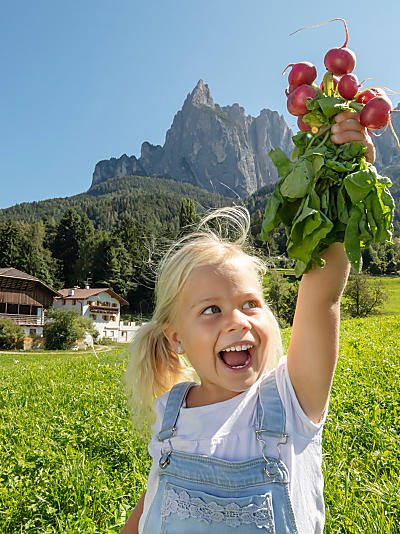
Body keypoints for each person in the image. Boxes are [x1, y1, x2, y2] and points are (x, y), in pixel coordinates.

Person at [119, 112, 375, 534]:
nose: (237, 320)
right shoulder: (171, 412)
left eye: (250, 303)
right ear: (176, 337)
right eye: (210, 310)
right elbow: (152, 502)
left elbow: (323, 289)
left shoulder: (293, 399)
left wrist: (345, 172)